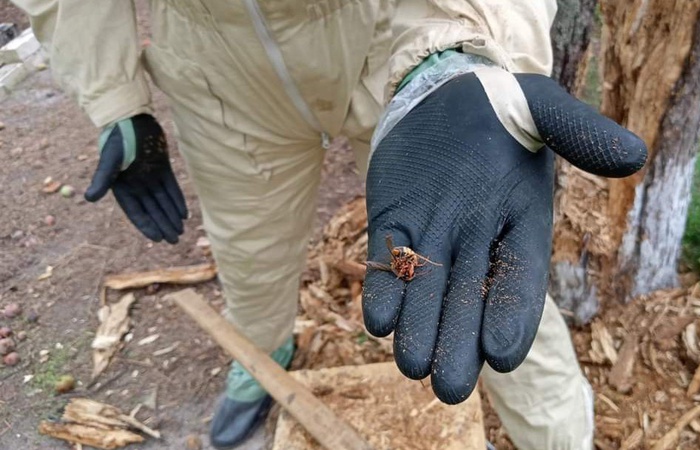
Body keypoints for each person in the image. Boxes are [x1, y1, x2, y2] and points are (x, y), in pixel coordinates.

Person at [15, 1, 646, 449]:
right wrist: (115, 97)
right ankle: (261, 357)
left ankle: (559, 434)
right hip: (217, 68)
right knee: (248, 248)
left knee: (480, 258)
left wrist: (464, 45)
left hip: (395, 37)